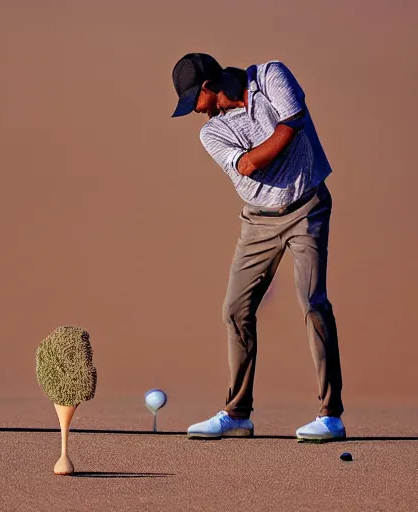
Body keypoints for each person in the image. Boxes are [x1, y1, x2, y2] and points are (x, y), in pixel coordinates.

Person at [171, 53, 345, 442]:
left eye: (192, 103)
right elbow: (249, 165)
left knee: (313, 302)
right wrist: (287, 128)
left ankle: (331, 414)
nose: (195, 113)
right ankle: (237, 414)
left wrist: (290, 126)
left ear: (208, 88)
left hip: (308, 208)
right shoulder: (211, 132)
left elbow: (293, 120)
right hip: (258, 223)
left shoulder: (270, 75)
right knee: (235, 309)